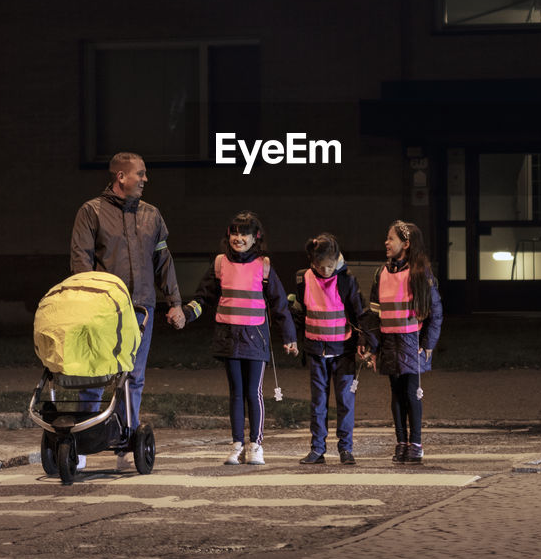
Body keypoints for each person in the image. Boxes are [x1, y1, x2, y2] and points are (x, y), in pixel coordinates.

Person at [70, 151, 185, 470]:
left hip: (141, 308)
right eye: (140, 174)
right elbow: (80, 260)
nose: (146, 179)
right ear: (121, 176)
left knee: (133, 376)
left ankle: (125, 436)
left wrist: (174, 302)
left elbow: (164, 262)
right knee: (95, 373)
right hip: (103, 307)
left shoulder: (152, 215)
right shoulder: (91, 211)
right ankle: (82, 441)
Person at [183, 211, 298, 465]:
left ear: (256, 237)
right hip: (228, 337)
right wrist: (187, 314)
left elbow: (280, 305)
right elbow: (203, 297)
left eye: (244, 233)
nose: (239, 237)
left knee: (253, 392)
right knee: (235, 392)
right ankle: (237, 445)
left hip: (255, 338)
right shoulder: (220, 264)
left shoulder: (264, 266)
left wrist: (289, 337)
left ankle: (256, 445)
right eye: (234, 232)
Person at [360, 220, 443, 465]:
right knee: (396, 394)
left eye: (391, 239)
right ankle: (401, 443)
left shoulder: (420, 275)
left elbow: (435, 313)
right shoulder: (381, 273)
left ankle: (415, 444)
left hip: (411, 342)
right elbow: (374, 314)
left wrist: (428, 344)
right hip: (388, 343)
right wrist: (372, 346)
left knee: (411, 394)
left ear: (406, 244)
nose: (386, 243)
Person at [290, 233, 364, 466]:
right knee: (318, 402)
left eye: (330, 266)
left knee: (345, 401)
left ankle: (345, 449)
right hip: (315, 349)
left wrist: (364, 342)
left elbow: (358, 314)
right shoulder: (304, 279)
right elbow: (301, 313)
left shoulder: (347, 280)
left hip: (343, 350)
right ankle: (317, 449)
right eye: (320, 267)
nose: (325, 271)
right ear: (312, 262)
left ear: (336, 260)